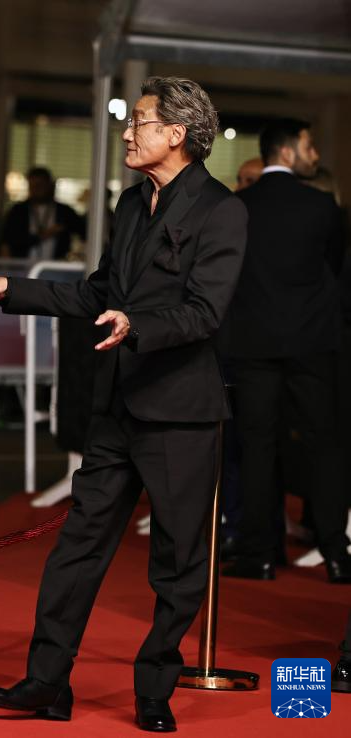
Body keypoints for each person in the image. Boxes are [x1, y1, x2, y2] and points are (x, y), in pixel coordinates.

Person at [0, 77, 246, 732]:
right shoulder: (130, 202)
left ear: (175, 133)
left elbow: (204, 312)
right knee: (77, 547)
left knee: (177, 562)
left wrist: (136, 326)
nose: (127, 131)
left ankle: (154, 689)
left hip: (180, 413)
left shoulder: (221, 210)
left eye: (138, 121)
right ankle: (46, 682)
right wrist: (13, 290)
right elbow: (99, 293)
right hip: (117, 406)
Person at [218, 119, 350, 583]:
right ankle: (336, 554)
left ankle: (260, 554)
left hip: (253, 342)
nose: (316, 154)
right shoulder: (323, 206)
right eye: (309, 146)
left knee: (258, 448)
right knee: (325, 446)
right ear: (288, 152)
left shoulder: (238, 206)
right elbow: (333, 266)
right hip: (312, 341)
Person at [2, 167, 84, 260]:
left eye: (40, 185)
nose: (36, 189)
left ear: (49, 185)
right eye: (33, 186)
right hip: (22, 265)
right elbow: (7, 243)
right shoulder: (18, 211)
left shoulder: (64, 211)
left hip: (57, 266)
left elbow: (83, 233)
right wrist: (43, 235)